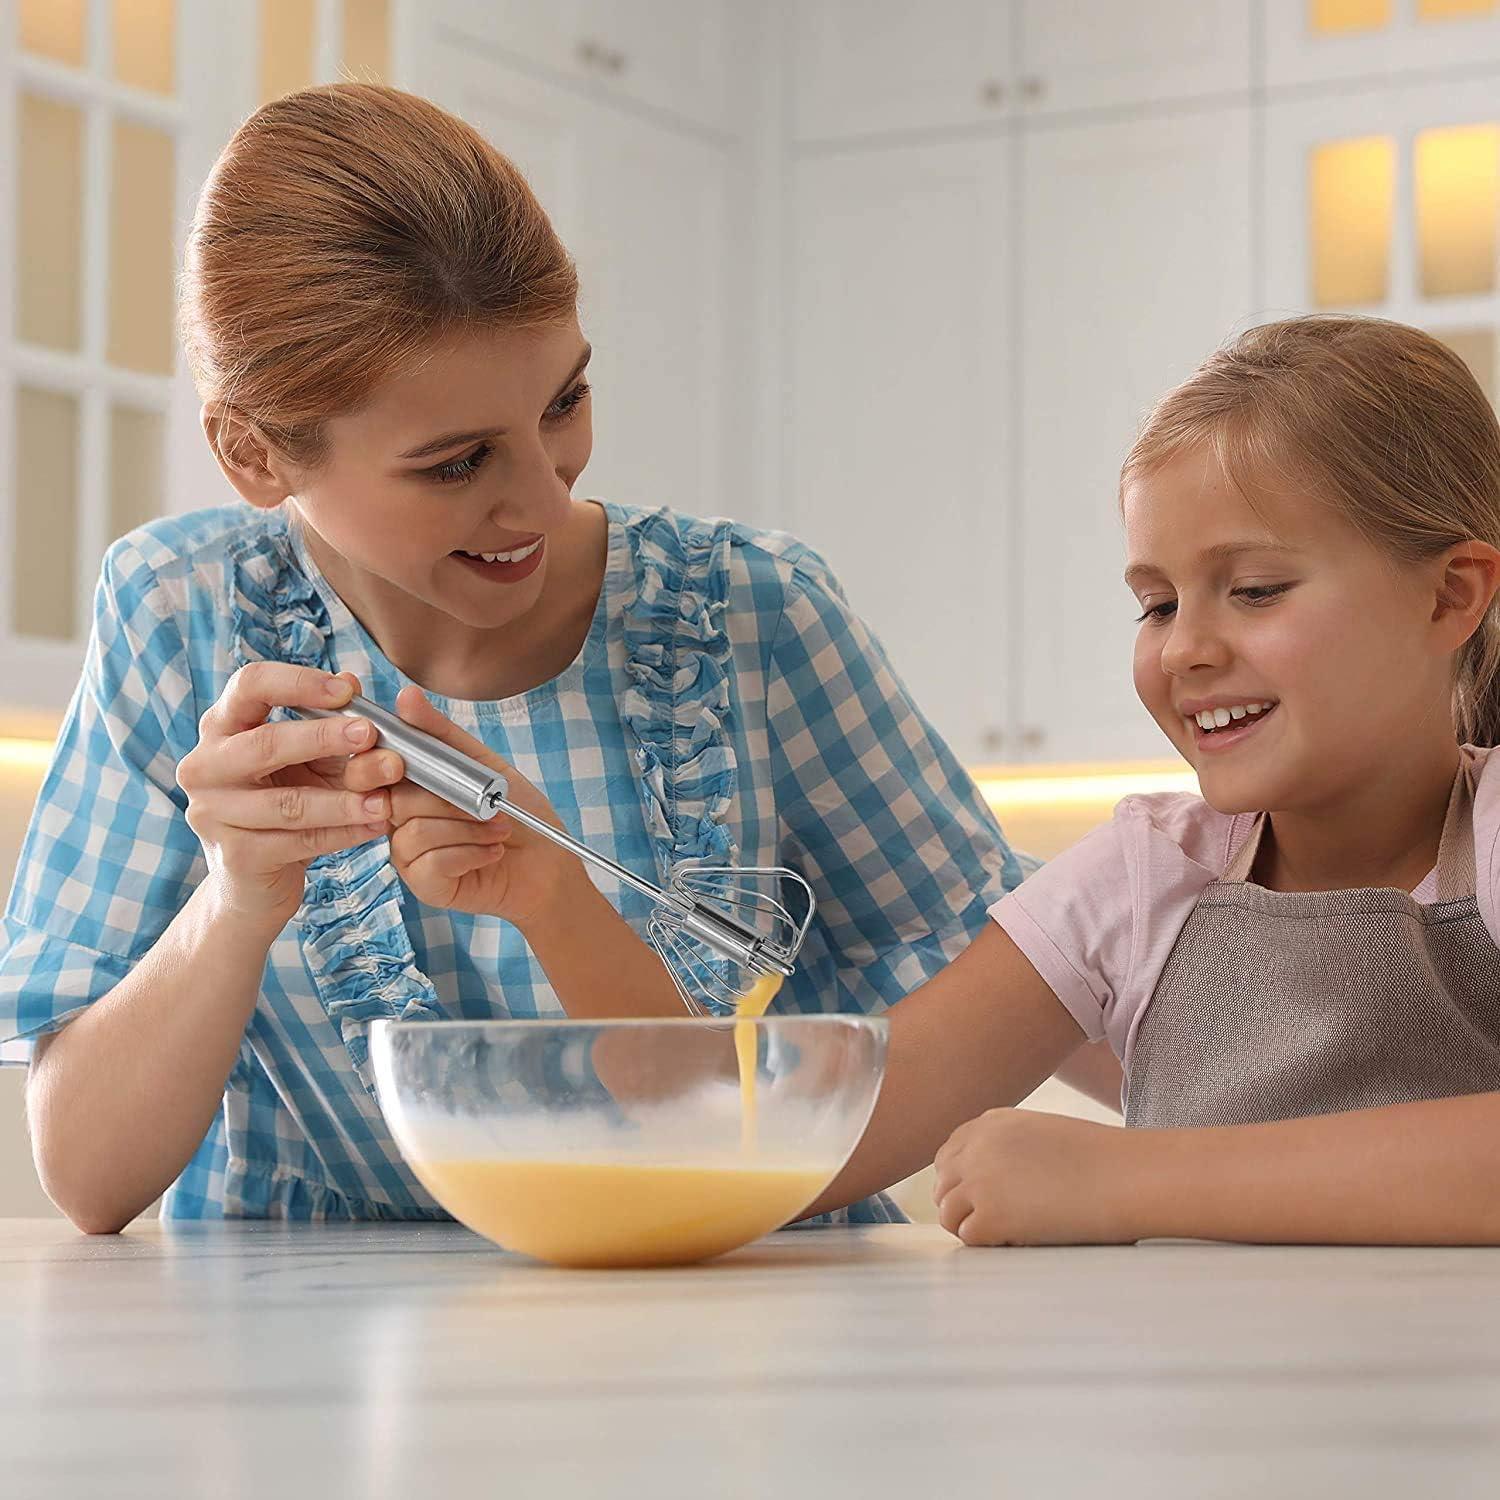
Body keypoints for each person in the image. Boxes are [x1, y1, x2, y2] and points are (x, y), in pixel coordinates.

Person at [0, 84, 1036, 1233]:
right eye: (457, 463)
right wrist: (237, 902)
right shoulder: (174, 613)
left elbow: (1036, 990)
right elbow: (88, 1180)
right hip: (304, 1362)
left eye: (566, 401)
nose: (545, 499)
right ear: (252, 454)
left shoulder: (751, 613)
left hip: (727, 1336)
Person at [818, 315, 1500, 1246]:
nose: (1184, 649)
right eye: (1157, 604)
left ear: (1451, 594)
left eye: (1255, 589)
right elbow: (817, 1142)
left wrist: (1125, 1180)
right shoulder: (1139, 875)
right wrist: (555, 898)